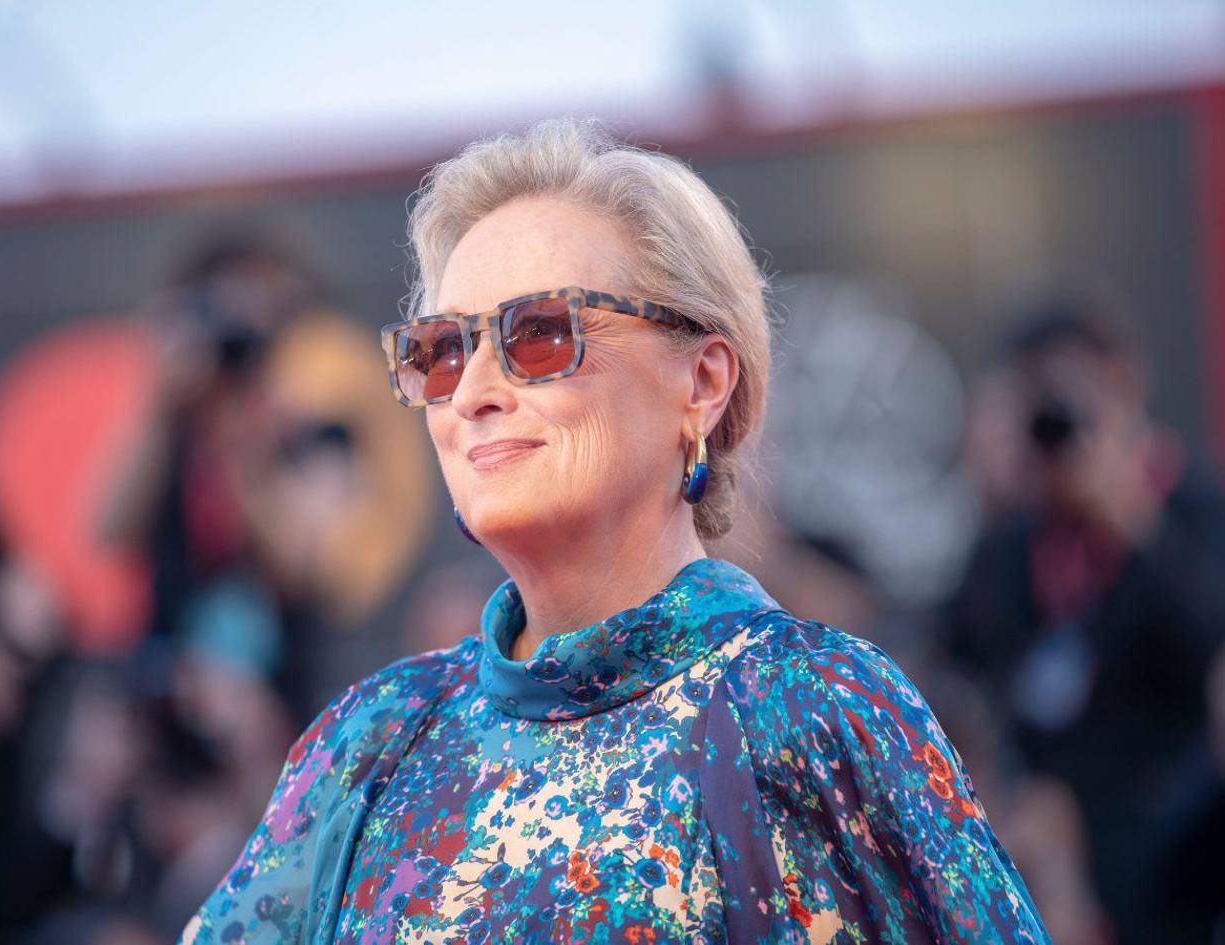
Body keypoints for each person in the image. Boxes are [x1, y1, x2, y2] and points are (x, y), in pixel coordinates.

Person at [182, 117, 1048, 944]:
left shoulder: (813, 709)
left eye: (540, 334)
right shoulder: (371, 740)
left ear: (701, 384)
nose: (473, 390)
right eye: (443, 350)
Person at [944, 299, 1225, 944]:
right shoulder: (1012, 544)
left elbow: (1209, 646)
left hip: (1168, 840)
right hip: (1038, 832)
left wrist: (1127, 518)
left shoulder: (1194, 511)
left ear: (1124, 388)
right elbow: (955, 669)